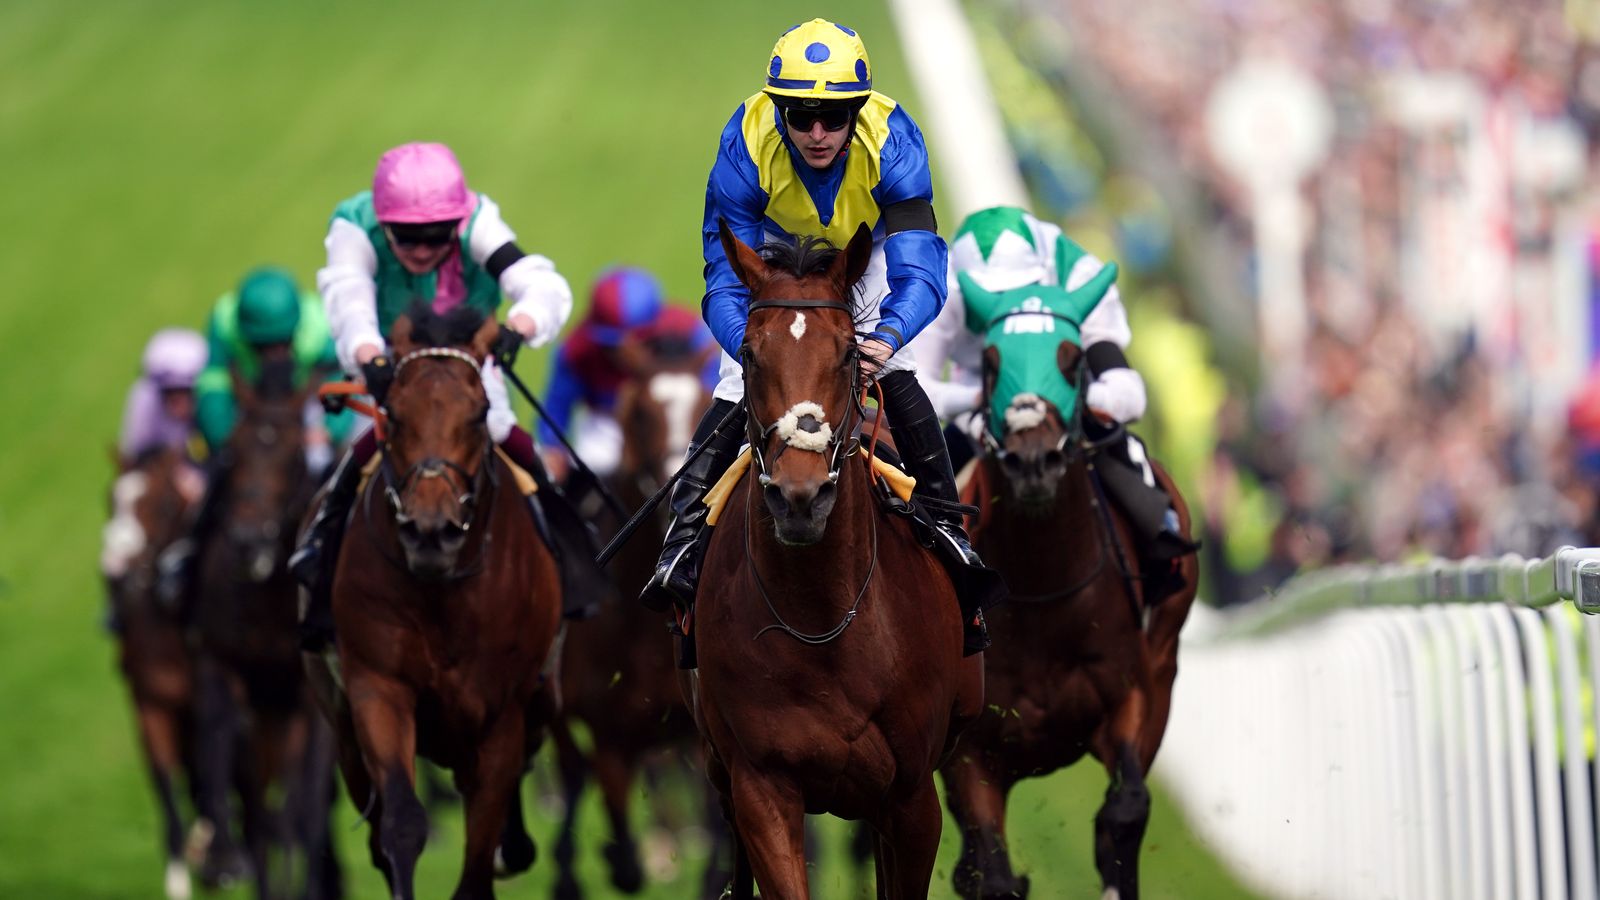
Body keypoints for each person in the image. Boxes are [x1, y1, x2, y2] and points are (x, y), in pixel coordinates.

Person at [639, 18, 996, 653]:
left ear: (857, 110)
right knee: (734, 377)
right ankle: (685, 542)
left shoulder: (894, 141)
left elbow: (920, 268)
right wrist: (753, 349)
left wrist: (886, 336)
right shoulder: (746, 142)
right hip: (775, 264)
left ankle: (947, 533)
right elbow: (723, 279)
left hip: (868, 252)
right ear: (778, 111)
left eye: (835, 116)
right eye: (801, 117)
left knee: (900, 364)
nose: (818, 133)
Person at [290, 141, 588, 651]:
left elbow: (543, 284)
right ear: (383, 223)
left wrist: (518, 326)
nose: (424, 250)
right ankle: (320, 560)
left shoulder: (478, 222)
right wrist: (369, 357)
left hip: (467, 370)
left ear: (457, 221)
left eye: (437, 236)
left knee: (510, 441)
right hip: (389, 367)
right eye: (408, 237)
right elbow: (347, 300)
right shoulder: (353, 227)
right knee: (359, 452)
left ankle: (571, 561)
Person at [907, 204, 1195, 586]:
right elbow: (913, 381)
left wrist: (1081, 404)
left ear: (1042, 274)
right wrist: (979, 406)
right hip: (980, 393)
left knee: (1116, 444)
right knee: (918, 483)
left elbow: (1128, 391)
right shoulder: (940, 285)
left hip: (1067, 394)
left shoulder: (1077, 274)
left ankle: (1162, 537)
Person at [154, 267, 347, 607]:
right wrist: (227, 439)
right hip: (252, 410)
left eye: (280, 345)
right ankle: (188, 556)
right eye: (262, 346)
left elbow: (345, 388)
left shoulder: (321, 328)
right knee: (219, 474)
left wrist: (327, 432)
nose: (272, 353)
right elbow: (212, 384)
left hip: (307, 404)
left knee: (339, 473)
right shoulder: (224, 321)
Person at [539, 267, 717, 485]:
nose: (622, 351)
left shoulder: (690, 333)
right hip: (606, 422)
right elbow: (556, 407)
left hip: (674, 416)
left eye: (633, 341)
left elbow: (713, 390)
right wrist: (552, 448)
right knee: (596, 463)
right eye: (611, 345)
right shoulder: (576, 350)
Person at [104, 329, 209, 633]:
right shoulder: (143, 402)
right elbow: (136, 457)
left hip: (202, 476)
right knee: (117, 547)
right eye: (170, 394)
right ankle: (117, 610)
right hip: (163, 478)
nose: (179, 403)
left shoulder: (212, 403)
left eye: (185, 393)